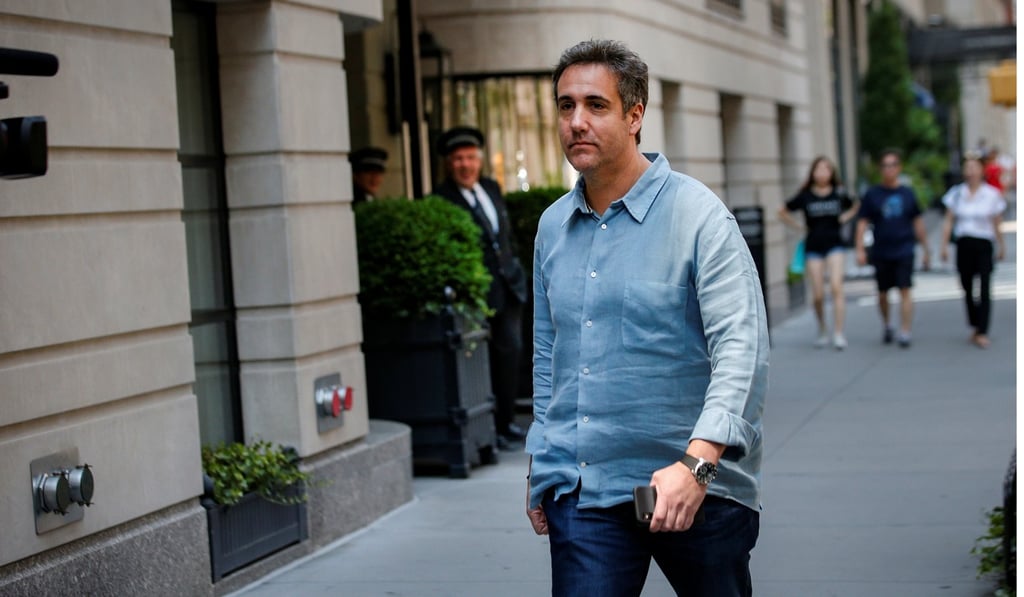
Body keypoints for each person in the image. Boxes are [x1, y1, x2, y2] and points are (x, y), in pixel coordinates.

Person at [526, 39, 768, 596]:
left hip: (700, 490)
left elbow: (743, 351)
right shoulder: (551, 228)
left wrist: (698, 465)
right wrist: (544, 458)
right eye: (566, 106)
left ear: (635, 116)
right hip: (585, 492)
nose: (576, 122)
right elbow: (547, 354)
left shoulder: (699, 217)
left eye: (596, 105)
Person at [433, 126, 529, 449]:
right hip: (479, 297)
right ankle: (491, 429)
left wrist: (515, 269)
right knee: (481, 364)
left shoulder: (490, 187)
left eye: (471, 157)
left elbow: (505, 235)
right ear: (449, 163)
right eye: (458, 159)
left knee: (510, 354)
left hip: (509, 288)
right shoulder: (442, 200)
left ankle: (506, 422)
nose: (466, 164)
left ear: (480, 160)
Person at [778, 156, 859, 349]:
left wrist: (845, 217)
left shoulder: (838, 193)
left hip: (835, 244)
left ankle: (838, 332)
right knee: (818, 294)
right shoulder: (806, 195)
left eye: (826, 169)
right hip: (813, 246)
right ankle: (822, 328)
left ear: (831, 173)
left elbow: (856, 204)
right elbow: (782, 210)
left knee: (837, 287)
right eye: (819, 169)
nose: (823, 173)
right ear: (813, 172)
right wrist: (798, 227)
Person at [854, 149, 931, 348]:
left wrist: (926, 250)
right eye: (885, 166)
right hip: (881, 250)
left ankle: (905, 331)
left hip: (904, 248)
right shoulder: (872, 194)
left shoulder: (907, 193)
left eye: (893, 165)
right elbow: (862, 222)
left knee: (905, 289)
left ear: (899, 168)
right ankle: (888, 324)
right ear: (880, 169)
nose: (889, 169)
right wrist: (859, 249)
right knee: (882, 293)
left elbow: (917, 222)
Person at [939, 154, 1006, 348]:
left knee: (984, 287)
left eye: (974, 167)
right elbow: (949, 220)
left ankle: (983, 330)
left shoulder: (991, 194)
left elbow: (996, 222)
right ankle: (975, 323)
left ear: (982, 170)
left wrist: (1001, 245)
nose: (971, 171)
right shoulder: (956, 193)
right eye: (967, 167)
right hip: (964, 243)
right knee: (966, 285)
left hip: (984, 243)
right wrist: (944, 246)